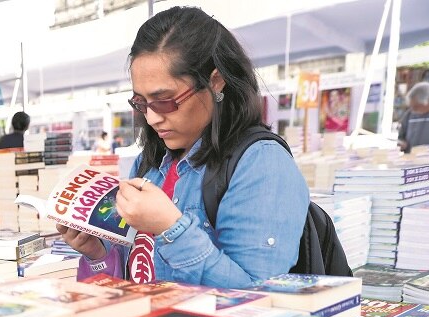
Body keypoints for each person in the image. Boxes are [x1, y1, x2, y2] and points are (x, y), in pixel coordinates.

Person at [65, 6, 308, 289]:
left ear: (215, 82)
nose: (152, 117)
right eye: (141, 103)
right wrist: (97, 252)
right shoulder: (150, 163)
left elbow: (258, 295)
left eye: (165, 100)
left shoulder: (262, 164)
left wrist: (171, 228)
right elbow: (135, 276)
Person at [399, 82, 429, 153]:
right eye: (411, 106)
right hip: (412, 160)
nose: (412, 110)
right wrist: (402, 144)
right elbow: (401, 137)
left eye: (416, 106)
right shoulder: (409, 115)